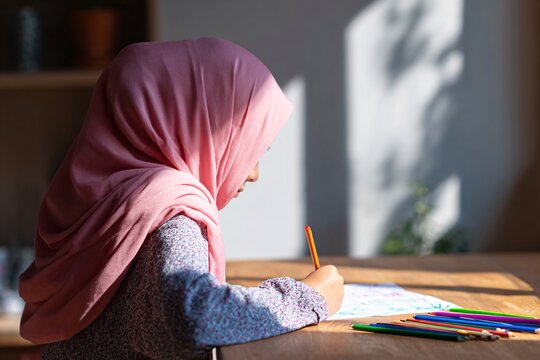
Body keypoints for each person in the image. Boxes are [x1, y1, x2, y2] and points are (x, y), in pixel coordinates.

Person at [18, 38, 344, 359]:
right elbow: (192, 317)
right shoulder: (169, 213)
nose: (254, 173)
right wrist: (307, 297)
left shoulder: (93, 197)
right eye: (246, 147)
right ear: (200, 127)